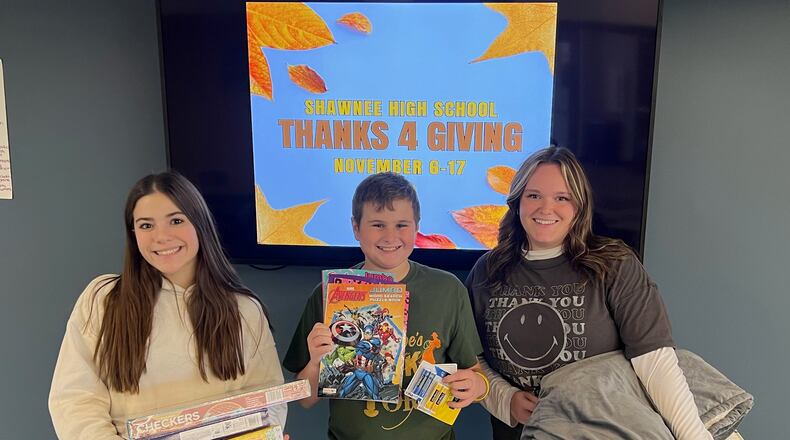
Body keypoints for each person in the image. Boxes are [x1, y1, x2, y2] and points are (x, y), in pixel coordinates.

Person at [466, 147, 713, 440]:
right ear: (517, 201)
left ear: (579, 206)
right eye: (534, 195)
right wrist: (504, 400)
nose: (546, 209)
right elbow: (471, 358)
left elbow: (656, 363)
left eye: (562, 198)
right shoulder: (488, 270)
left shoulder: (614, 264)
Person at [48, 171, 287, 439]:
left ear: (200, 224)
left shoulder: (244, 309)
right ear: (133, 233)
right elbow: (75, 400)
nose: (161, 237)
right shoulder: (103, 299)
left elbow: (268, 397)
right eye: (146, 226)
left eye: (175, 221)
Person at [283, 172, 488, 439]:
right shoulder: (327, 294)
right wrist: (315, 362)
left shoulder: (448, 290)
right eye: (378, 225)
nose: (391, 236)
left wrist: (475, 386)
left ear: (417, 227)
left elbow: (477, 378)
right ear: (356, 228)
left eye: (402, 225)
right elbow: (305, 400)